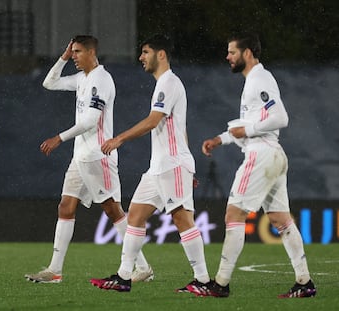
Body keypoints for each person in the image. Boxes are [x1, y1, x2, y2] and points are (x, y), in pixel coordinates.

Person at [193, 32, 316, 298]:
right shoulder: (254, 81)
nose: (228, 56)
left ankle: (221, 284)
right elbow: (244, 127)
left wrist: (248, 129)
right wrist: (220, 139)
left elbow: (280, 117)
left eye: (232, 52)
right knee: (281, 219)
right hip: (274, 155)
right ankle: (305, 283)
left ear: (247, 53)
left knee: (234, 215)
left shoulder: (259, 78)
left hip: (261, 155)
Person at [25, 35, 153, 283]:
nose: (74, 56)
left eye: (78, 52)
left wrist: (59, 138)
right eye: (72, 52)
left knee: (113, 210)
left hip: (98, 155)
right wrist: (62, 58)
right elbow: (49, 83)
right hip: (80, 156)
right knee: (66, 206)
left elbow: (90, 121)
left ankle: (143, 266)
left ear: (92, 52)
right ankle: (54, 270)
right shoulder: (81, 78)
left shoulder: (100, 80)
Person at [90, 34, 211, 293]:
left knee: (182, 220)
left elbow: (153, 120)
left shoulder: (169, 82)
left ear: (161, 54)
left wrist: (119, 138)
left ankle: (203, 280)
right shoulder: (163, 84)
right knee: (135, 214)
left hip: (172, 165)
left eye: (146, 52)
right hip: (160, 167)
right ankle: (124, 276)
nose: (141, 57)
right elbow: (181, 128)